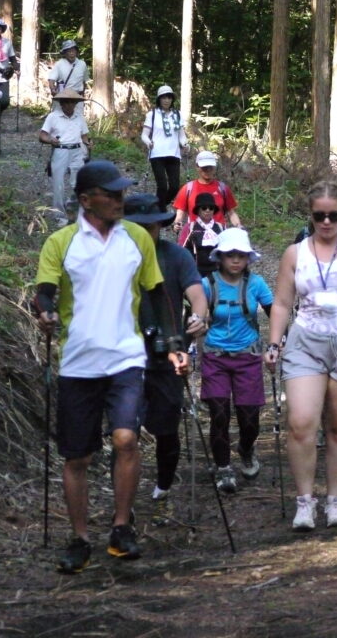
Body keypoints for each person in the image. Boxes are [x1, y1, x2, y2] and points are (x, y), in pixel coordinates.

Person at [34, 160, 187, 574]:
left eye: (123, 192)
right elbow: (44, 292)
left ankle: (121, 528)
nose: (121, 199)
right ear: (86, 200)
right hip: (78, 362)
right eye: (112, 194)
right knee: (77, 457)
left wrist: (174, 344)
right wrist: (44, 312)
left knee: (126, 439)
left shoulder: (135, 238)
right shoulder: (61, 243)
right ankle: (80, 538)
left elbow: (157, 294)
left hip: (126, 357)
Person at [264, 181, 337, 530]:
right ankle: (305, 502)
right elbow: (282, 303)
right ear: (310, 216)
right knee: (301, 423)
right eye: (319, 216)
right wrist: (274, 343)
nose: (326, 222)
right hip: (307, 339)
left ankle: (335, 501)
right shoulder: (295, 253)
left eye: (334, 216)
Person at [122, 193, 209, 524]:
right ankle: (124, 503)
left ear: (161, 225)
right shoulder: (115, 256)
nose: (146, 232)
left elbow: (196, 294)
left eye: (152, 226)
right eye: (138, 226)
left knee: (167, 428)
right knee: (123, 431)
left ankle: (163, 489)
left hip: (167, 352)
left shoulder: (176, 256)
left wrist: (198, 317)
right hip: (123, 354)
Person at [201, 228, 273, 493]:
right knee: (219, 413)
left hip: (248, 356)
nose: (235, 260)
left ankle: (246, 447)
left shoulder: (256, 284)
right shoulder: (207, 284)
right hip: (215, 357)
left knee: (249, 418)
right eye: (230, 254)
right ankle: (223, 468)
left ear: (247, 258)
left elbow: (274, 311)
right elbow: (195, 315)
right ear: (219, 257)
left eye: (241, 255)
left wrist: (277, 343)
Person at [39, 90, 92, 215]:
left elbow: (84, 136)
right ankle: (59, 215)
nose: (69, 105)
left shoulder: (79, 117)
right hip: (60, 150)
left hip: (77, 151)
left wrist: (88, 143)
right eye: (66, 102)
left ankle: (77, 210)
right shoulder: (53, 116)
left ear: (76, 104)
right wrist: (50, 140)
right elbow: (42, 135)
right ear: (61, 103)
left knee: (79, 182)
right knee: (58, 184)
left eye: (72, 102)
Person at [140, 85, 189, 211]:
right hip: (157, 154)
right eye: (163, 98)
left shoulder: (178, 115)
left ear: (172, 99)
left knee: (174, 187)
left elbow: (181, 136)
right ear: (159, 99)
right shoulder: (152, 114)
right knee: (162, 186)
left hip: (174, 154)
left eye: (169, 97)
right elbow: (144, 135)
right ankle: (160, 213)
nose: (166, 100)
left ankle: (156, 207)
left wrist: (185, 144)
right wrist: (148, 142)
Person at [171, 151, 241, 232]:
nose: (208, 170)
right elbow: (180, 212)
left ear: (214, 167)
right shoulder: (188, 188)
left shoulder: (222, 188)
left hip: (219, 233)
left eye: (210, 167)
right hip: (196, 234)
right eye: (204, 167)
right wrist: (177, 224)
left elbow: (231, 213)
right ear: (197, 167)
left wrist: (239, 226)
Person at [180, 192, 225, 278]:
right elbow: (182, 250)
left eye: (211, 208)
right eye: (204, 208)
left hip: (218, 272)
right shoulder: (190, 228)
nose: (207, 210)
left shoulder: (220, 227)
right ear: (198, 210)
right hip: (196, 273)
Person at [48, 40, 87, 115]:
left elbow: (84, 81)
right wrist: (53, 90)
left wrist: (82, 95)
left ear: (76, 52)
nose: (71, 53)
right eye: (69, 51)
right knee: (59, 117)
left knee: (77, 119)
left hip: (76, 98)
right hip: (62, 98)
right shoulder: (59, 64)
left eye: (73, 50)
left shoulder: (82, 64)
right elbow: (51, 80)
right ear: (65, 53)